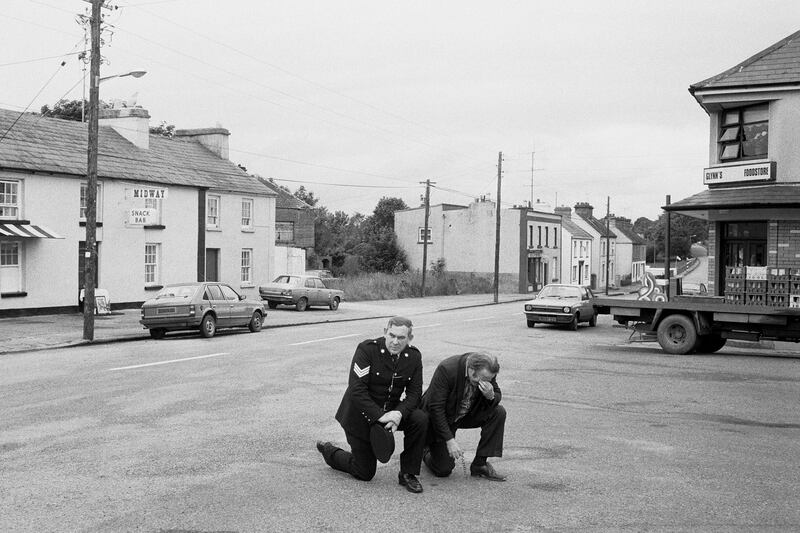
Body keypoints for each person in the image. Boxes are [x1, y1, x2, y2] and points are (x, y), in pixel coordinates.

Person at [316, 316, 428, 493]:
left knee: (419, 418)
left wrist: (398, 413)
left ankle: (408, 474)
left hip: (390, 411)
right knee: (365, 472)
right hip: (360, 415)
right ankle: (329, 451)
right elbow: (356, 389)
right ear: (385, 332)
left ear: (410, 339)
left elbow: (414, 394)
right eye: (392, 335)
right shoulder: (367, 350)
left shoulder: (413, 357)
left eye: (401, 338)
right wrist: (382, 416)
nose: (395, 341)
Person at [420, 351, 507, 481]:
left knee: (498, 412)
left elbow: (497, 393)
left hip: (465, 414)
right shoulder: (447, 369)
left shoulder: (487, 372)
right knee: (443, 469)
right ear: (472, 370)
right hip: (442, 417)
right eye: (483, 379)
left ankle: (480, 465)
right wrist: (449, 440)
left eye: (490, 379)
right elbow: (436, 408)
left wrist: (491, 396)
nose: (486, 382)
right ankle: (426, 450)